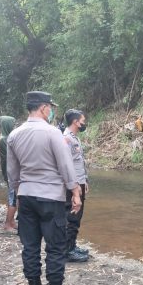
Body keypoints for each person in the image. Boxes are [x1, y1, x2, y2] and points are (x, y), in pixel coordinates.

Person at [7, 91, 82, 285]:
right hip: (51, 197)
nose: (51, 111)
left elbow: (12, 172)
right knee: (56, 247)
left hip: (26, 195)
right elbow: (65, 166)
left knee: (30, 247)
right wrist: (75, 192)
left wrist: (18, 194)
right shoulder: (52, 133)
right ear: (43, 108)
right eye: (50, 107)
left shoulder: (14, 134)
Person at [63, 109, 90, 262]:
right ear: (75, 122)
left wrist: (85, 181)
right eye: (83, 121)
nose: (84, 124)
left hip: (79, 182)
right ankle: (67, 251)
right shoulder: (66, 139)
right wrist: (75, 187)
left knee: (76, 218)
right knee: (72, 216)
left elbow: (80, 162)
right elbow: (67, 165)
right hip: (73, 185)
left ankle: (72, 246)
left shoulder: (75, 138)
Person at [0, 116, 18, 232]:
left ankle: (12, 221)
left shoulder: (6, 138)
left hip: (9, 172)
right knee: (13, 199)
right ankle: (7, 224)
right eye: (13, 124)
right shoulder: (4, 140)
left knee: (13, 197)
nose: (14, 127)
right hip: (11, 174)